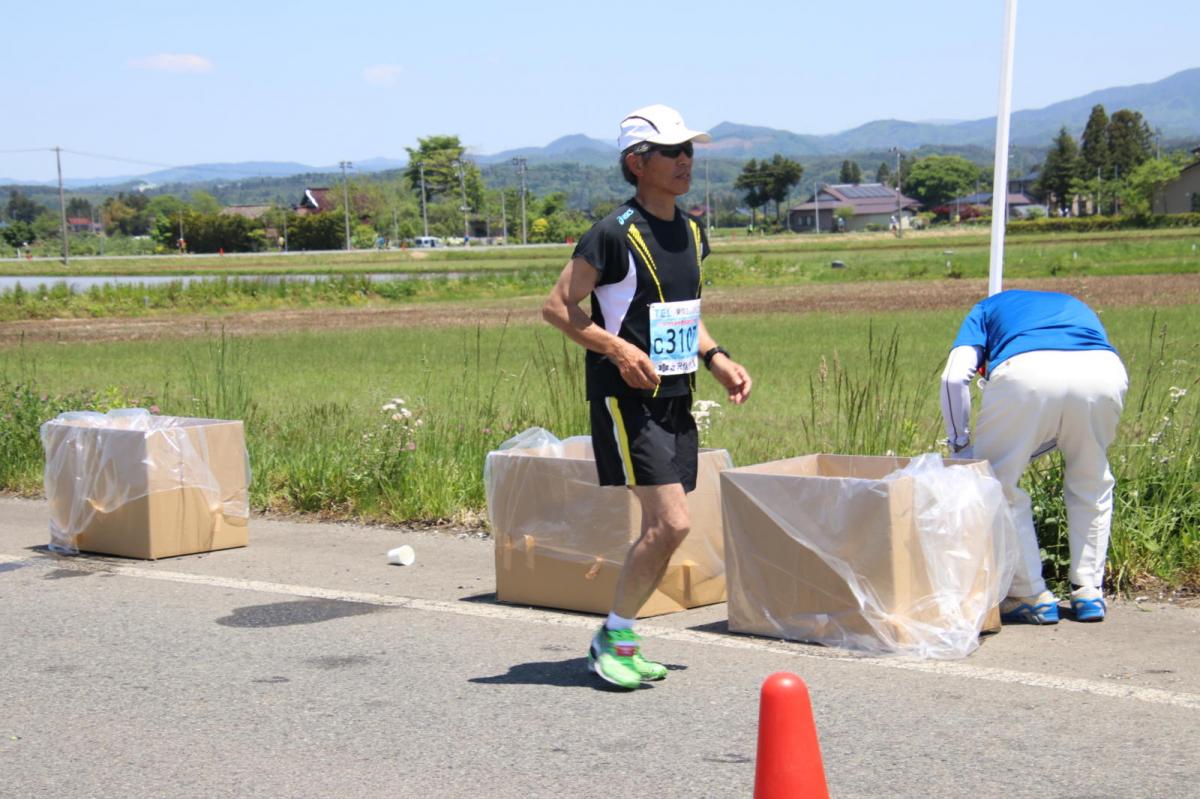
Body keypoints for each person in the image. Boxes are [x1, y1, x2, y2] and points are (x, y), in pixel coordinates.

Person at [542, 104, 752, 689]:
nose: (686, 161)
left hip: (675, 395)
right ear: (638, 163)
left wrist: (716, 359)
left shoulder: (690, 229)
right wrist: (619, 350)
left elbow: (685, 315)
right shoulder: (612, 234)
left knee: (666, 526)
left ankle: (621, 638)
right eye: (672, 151)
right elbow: (558, 308)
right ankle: (612, 637)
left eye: (689, 150)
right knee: (672, 524)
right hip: (626, 397)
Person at [940, 290, 1128, 624]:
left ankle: (1031, 593)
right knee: (1092, 478)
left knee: (996, 485)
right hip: (1103, 371)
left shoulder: (984, 310)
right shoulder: (1076, 305)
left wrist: (961, 446)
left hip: (1024, 373)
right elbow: (1065, 399)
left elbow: (954, 377)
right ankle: (1089, 591)